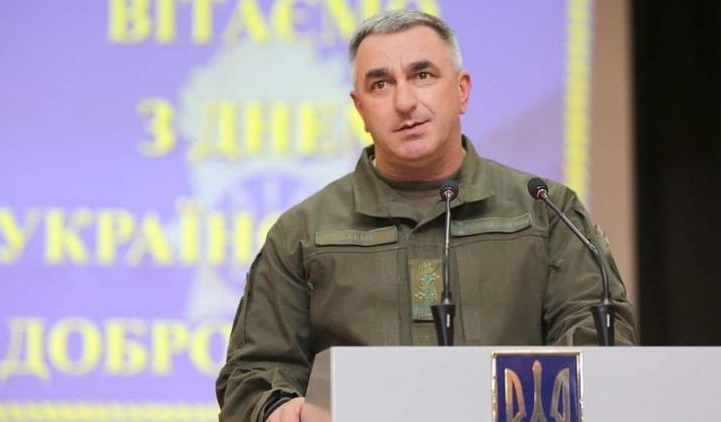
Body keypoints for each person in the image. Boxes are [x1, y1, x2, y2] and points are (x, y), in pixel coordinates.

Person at [216, 10, 636, 422]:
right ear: (360, 108)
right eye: (381, 84)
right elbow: (252, 375)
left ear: (462, 90)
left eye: (422, 75)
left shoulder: (545, 210)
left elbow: (600, 342)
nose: (404, 102)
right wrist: (276, 409)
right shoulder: (304, 231)